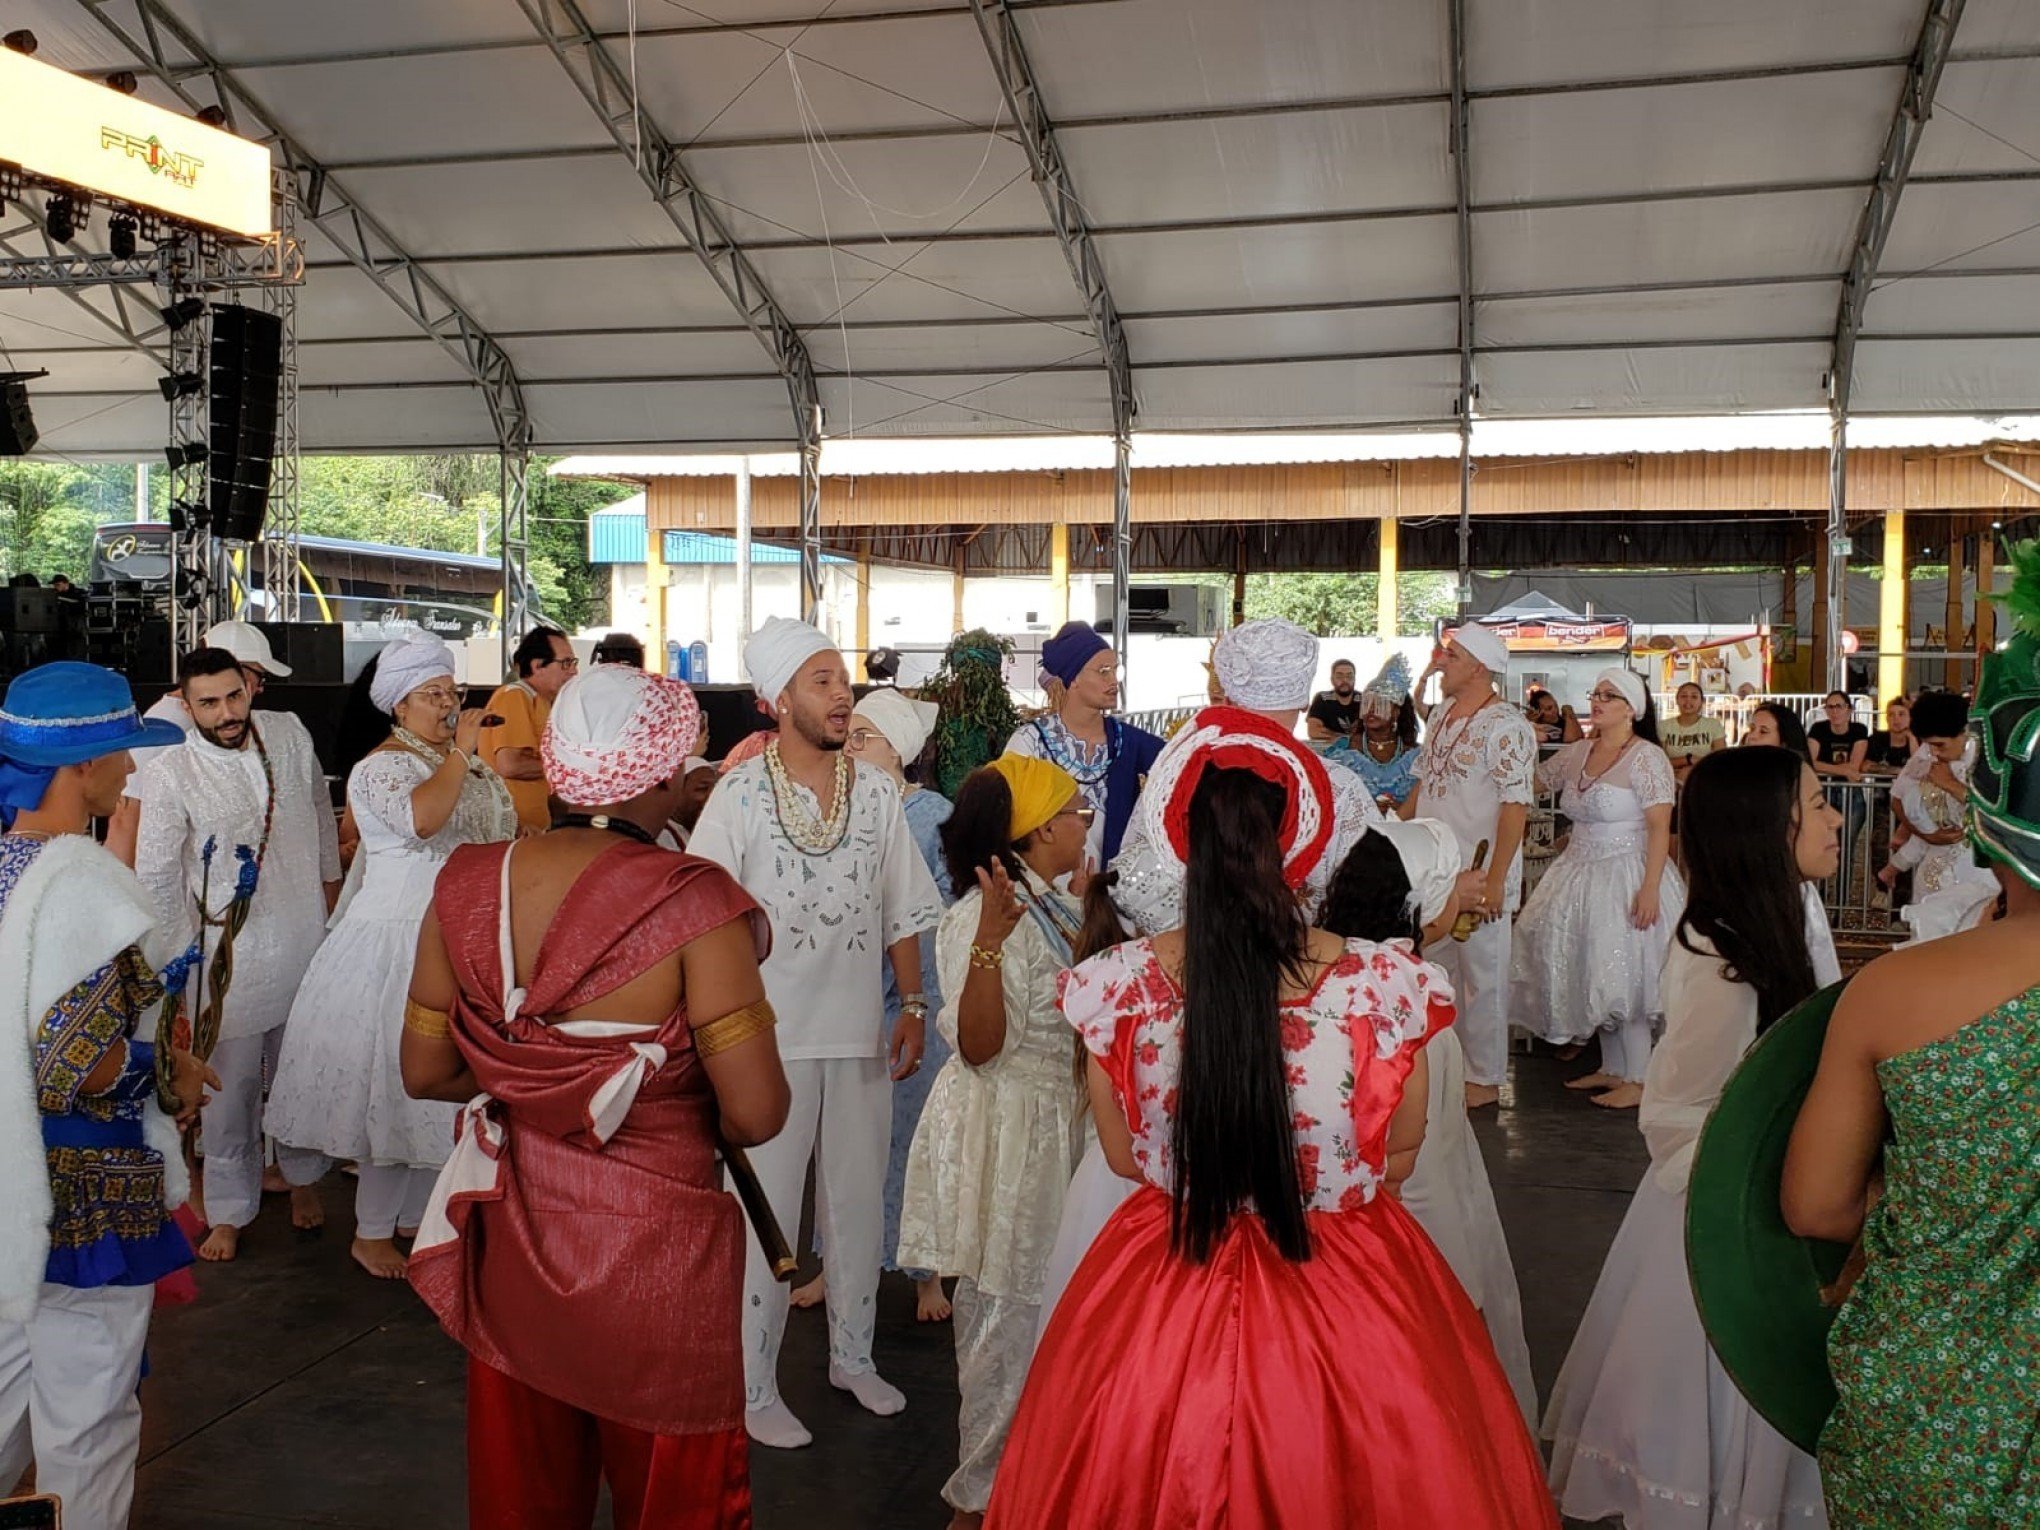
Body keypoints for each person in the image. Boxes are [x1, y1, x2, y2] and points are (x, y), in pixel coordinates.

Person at [984, 713, 1557, 1529]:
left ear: (1180, 841)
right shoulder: (1380, 982)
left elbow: (1120, 1155)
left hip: (1164, 1274)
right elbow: (1399, 1153)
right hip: (1351, 1279)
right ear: (1300, 843)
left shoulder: (1120, 984)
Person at [400, 664, 789, 1530]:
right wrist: (634, 1095)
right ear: (660, 773)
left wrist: (533, 1087)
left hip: (516, 1235)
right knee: (672, 1497)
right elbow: (758, 1113)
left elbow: (425, 1073)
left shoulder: (466, 883)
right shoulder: (697, 903)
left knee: (523, 1494)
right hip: (659, 1254)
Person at [1782, 549, 2040, 1525]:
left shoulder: (1896, 993)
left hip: (1931, 1414)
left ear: (1993, 819)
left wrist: (1937, 1203)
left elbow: (1813, 1206)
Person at [1546, 745, 1841, 1530]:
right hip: (1732, 1207)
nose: (1836, 818)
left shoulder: (1790, 915)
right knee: (1729, 1382)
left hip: (1781, 1190)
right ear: (1766, 828)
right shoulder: (1721, 952)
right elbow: (1686, 1109)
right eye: (1817, 805)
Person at [687, 616, 942, 1450]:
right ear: (779, 698)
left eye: (843, 682)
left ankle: (854, 1358)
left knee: (858, 1204)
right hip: (764, 1040)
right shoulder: (737, 794)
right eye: (824, 682)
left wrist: (912, 1005)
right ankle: (752, 1382)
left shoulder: (873, 791)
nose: (842, 697)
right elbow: (705, 919)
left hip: (860, 1032)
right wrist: (723, 1037)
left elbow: (903, 904)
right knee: (763, 1213)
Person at [0, 661, 213, 1530]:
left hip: (9, 1182)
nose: (132, 771)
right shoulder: (77, 881)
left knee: (12, 1377)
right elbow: (72, 1063)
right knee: (87, 1414)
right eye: (122, 753)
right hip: (79, 1188)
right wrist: (172, 1076)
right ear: (81, 769)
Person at [266, 631, 518, 1279]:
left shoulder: (462, 762)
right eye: (431, 694)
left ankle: (414, 1218)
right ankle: (371, 1231)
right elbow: (423, 821)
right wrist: (463, 754)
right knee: (391, 1089)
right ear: (398, 707)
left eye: (451, 692)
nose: (446, 704)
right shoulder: (381, 767)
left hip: (455, 940)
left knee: (441, 1095)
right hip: (392, 947)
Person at [897, 755, 1090, 1527]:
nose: (1084, 821)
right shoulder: (978, 916)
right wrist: (985, 943)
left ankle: (1035, 1486)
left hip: (1056, 1126)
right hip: (1008, 1135)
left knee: (1047, 1321)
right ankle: (979, 1501)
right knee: (1002, 1324)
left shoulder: (1054, 908)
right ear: (1040, 829)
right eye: (1073, 811)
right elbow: (978, 1047)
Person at [1316, 819, 1538, 1422]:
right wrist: (1457, 1281)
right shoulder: (1410, 1001)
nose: (1468, 886)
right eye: (1454, 878)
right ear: (1419, 900)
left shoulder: (1331, 978)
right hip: (1410, 1223)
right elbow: (1424, 1165)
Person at [132, 646, 341, 1258]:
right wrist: (173, 964)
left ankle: (304, 1180)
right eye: (209, 702)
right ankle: (228, 1209)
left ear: (250, 688)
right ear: (186, 705)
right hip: (228, 959)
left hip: (304, 933)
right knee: (232, 1089)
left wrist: (330, 903)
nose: (226, 712)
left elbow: (320, 822)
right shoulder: (171, 770)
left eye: (234, 696)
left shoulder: (289, 732)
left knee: (303, 1072)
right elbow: (159, 875)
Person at [789, 687, 957, 1323]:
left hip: (917, 992)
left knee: (912, 1140)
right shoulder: (840, 807)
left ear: (899, 751)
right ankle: (835, 1265)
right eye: (847, 736)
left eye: (864, 738)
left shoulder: (933, 814)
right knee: (842, 1141)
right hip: (846, 990)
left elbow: (938, 910)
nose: (851, 748)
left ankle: (925, 1274)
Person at [1511, 668, 1685, 1109]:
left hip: (1626, 869)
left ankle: (1641, 1078)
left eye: (1609, 695)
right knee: (1593, 965)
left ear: (1631, 708)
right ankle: (1613, 1067)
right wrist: (1516, 740)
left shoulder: (1646, 758)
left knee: (1627, 970)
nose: (1598, 701)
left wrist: (1649, 887)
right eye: (1596, 693)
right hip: (1579, 870)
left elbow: (1660, 825)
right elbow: (1533, 784)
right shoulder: (1578, 752)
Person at [1402, 623, 1538, 1110]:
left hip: (1480, 872)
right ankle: (1446, 1066)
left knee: (1483, 975)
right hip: (1434, 869)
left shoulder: (1507, 725)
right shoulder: (1440, 715)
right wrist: (1397, 831)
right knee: (1434, 971)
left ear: (1479, 667)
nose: (1441, 663)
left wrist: (1498, 879)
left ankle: (1483, 1077)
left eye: (1451, 656)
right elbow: (1423, 783)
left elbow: (1515, 805)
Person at [105, 618, 294, 867]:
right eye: (259, 676)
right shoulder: (168, 725)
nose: (260, 688)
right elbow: (125, 818)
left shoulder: (185, 722)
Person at [1004, 620, 1164, 869]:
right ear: (1073, 678)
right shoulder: (1030, 743)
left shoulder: (1129, 742)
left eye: (1115, 670)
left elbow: (1182, 768)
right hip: (1045, 890)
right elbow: (1005, 814)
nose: (1114, 681)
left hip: (1110, 892)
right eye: (1103, 671)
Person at [1882, 692, 1999, 940]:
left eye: (1940, 745)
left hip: (1980, 867)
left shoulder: (1991, 755)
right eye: (1929, 745)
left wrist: (1950, 784)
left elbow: (1996, 811)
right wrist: (1926, 833)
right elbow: (1898, 797)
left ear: (1964, 733)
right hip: (1934, 868)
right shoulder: (1926, 754)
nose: (1934, 753)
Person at [479, 625, 579, 833]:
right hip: (514, 833)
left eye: (574, 663)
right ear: (537, 666)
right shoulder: (514, 696)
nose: (574, 671)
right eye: (566, 663)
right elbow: (511, 765)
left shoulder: (541, 702)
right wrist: (572, 766)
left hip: (535, 832)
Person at [1325, 652, 1421, 812]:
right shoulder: (1344, 751)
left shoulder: (1415, 755)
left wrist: (1403, 809)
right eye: (1367, 704)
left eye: (1380, 705)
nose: (1371, 711)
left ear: (1396, 712)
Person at [1659, 681, 1726, 789]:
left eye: (1694, 697)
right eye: (1684, 696)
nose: (1688, 700)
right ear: (1677, 700)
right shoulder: (1663, 726)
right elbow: (1660, 762)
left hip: (1703, 776)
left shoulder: (1713, 725)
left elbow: (1720, 759)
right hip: (1669, 777)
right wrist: (1688, 760)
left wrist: (1692, 768)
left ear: (1701, 702)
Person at [1304, 658, 1361, 745]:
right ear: (1332, 679)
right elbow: (1314, 731)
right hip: (1329, 751)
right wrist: (1345, 739)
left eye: (1349, 676)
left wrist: (1331, 734)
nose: (1345, 680)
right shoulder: (1322, 699)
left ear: (1354, 679)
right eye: (1339, 676)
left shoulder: (1363, 700)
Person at [1742, 699, 1811, 759]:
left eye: (1763, 731)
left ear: (1784, 744)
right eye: (1751, 729)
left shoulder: (1801, 772)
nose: (1752, 736)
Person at [1863, 694, 1914, 774]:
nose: (1896, 719)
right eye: (1891, 715)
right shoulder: (1876, 739)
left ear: (1910, 718)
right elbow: (1865, 766)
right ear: (1887, 719)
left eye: (1901, 714)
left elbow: (1921, 768)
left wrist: (1912, 738)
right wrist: (1896, 770)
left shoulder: (1919, 740)